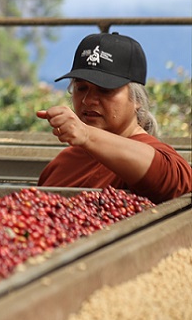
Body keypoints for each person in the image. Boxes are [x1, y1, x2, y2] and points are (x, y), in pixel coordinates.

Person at [37, 32, 192, 203]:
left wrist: (87, 135)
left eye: (105, 90)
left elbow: (177, 183)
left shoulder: (151, 152)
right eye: (81, 88)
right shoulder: (63, 163)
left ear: (137, 100)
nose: (88, 100)